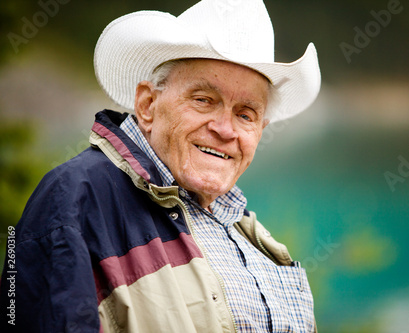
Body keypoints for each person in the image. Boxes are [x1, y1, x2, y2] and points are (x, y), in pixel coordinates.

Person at [0, 0, 321, 332]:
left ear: (260, 131)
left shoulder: (252, 236)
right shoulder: (74, 198)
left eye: (245, 114)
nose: (225, 130)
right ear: (147, 104)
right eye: (203, 100)